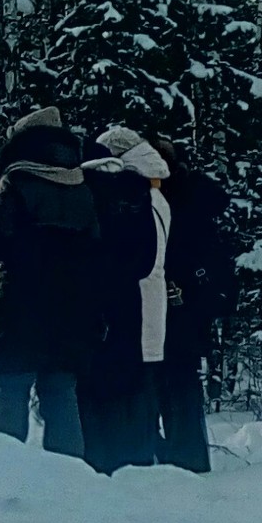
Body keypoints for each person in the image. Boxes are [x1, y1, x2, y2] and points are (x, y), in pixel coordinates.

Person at [0, 106, 100, 459]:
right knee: (61, 397)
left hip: (21, 306)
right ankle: (69, 484)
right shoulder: (82, 188)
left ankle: (2, 479)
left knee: (10, 395)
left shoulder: (16, 182)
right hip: (71, 311)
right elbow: (95, 249)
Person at [77, 126, 169, 474]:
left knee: (98, 388)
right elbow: (147, 258)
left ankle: (103, 462)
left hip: (100, 304)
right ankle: (137, 460)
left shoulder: (87, 193)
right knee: (132, 385)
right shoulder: (141, 192)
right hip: (133, 301)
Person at [152, 137, 236, 474]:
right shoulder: (195, 196)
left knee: (166, 384)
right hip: (189, 307)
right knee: (182, 384)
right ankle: (188, 460)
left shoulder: (165, 199)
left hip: (171, 302)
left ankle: (174, 460)